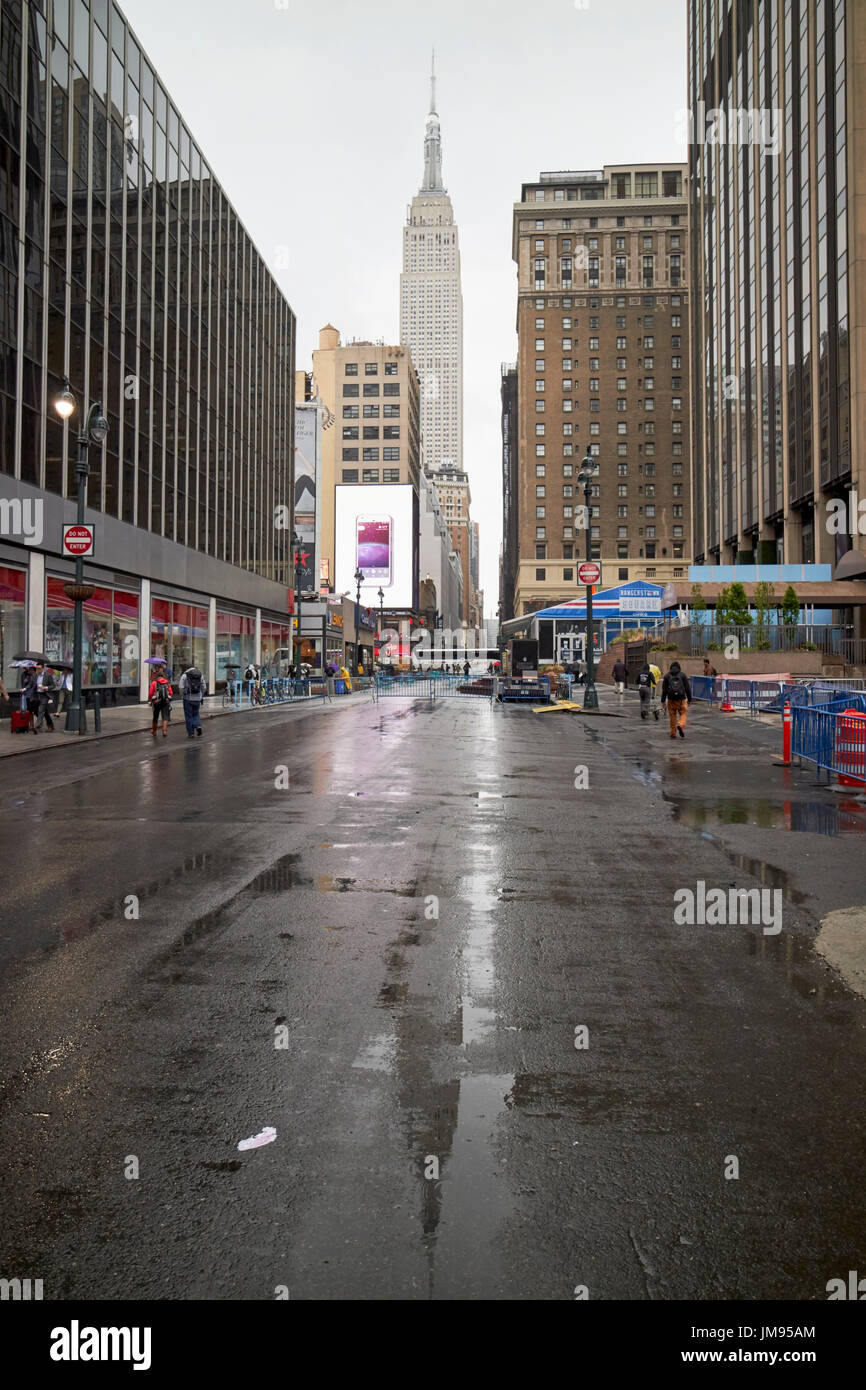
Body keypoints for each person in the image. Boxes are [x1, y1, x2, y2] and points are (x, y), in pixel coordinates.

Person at [660, 661, 692, 739]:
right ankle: (681, 725)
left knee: (672, 716)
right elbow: (687, 688)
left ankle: (673, 733)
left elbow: (664, 690)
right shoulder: (682, 675)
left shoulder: (667, 676)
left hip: (671, 699)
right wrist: (689, 699)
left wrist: (663, 701)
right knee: (683, 713)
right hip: (681, 699)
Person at [179, 665, 207, 738]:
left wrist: (182, 695)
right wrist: (201, 695)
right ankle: (198, 725)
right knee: (196, 714)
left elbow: (181, 687)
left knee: (188, 716)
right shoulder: (200, 675)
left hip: (187, 698)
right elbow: (204, 687)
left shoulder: (184, 675)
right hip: (197, 698)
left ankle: (191, 733)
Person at [148, 668, 172, 738]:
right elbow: (171, 693)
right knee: (165, 717)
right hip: (165, 701)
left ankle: (154, 731)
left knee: (155, 717)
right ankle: (164, 731)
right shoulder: (167, 682)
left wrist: (151, 701)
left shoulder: (154, 683)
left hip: (156, 702)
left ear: (156, 676)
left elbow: (150, 694)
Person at [33, 662, 56, 733]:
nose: (37, 670)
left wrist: (45, 687)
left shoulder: (48, 675)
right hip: (37, 695)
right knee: (42, 711)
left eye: (39, 669)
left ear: (43, 668)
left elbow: (53, 685)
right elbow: (32, 684)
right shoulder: (35, 675)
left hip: (45, 695)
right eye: (36, 669)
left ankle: (37, 726)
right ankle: (51, 725)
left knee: (41, 710)